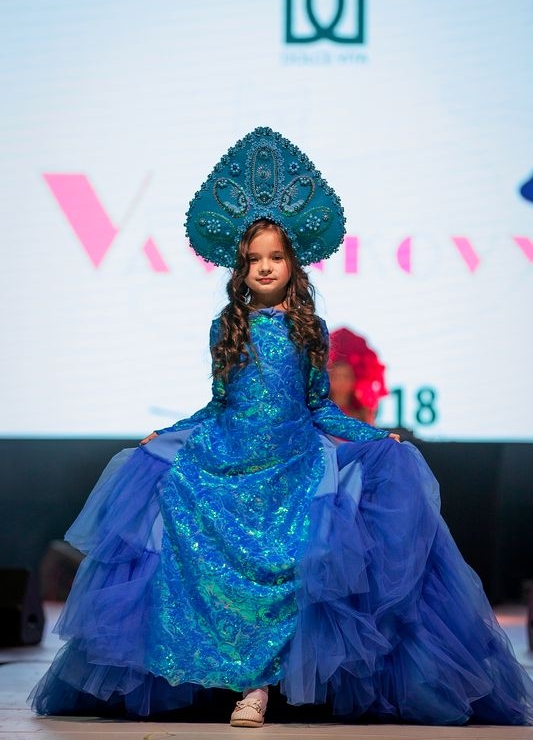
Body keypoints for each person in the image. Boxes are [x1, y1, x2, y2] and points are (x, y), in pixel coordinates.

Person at [30, 127, 533, 727]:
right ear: (239, 268)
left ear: (293, 263)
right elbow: (219, 403)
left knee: (290, 565)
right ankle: (215, 678)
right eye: (253, 259)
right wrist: (169, 435)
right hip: (227, 457)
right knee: (185, 522)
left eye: (275, 257)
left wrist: (375, 438)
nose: (264, 267)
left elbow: (319, 405)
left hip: (292, 462)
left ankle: (260, 687)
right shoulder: (227, 326)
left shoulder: (309, 329)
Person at [328, 327, 388, 425]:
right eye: (335, 376)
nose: (341, 382)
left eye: (346, 376)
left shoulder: (363, 412)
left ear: (355, 379)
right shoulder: (318, 410)